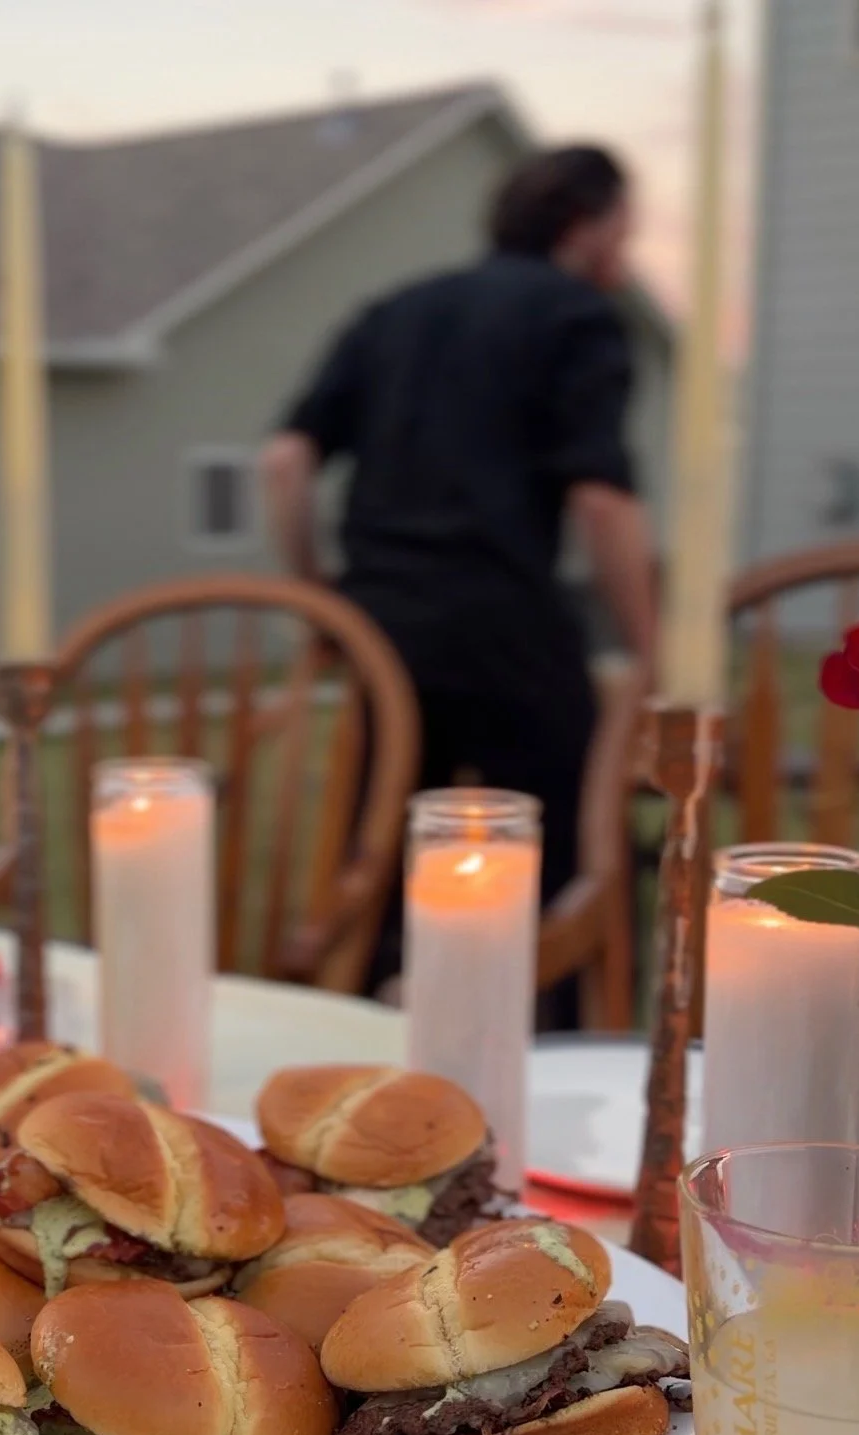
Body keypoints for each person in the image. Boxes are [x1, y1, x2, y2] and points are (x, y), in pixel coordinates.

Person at [261, 144, 656, 992]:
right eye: (625, 229)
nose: (628, 252)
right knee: (566, 848)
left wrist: (317, 597)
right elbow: (602, 502)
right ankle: (565, 1026)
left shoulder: (395, 310)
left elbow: (285, 462)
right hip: (505, 622)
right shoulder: (577, 317)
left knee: (390, 850)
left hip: (381, 630)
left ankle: (376, 1028)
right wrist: (653, 647)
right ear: (582, 226)